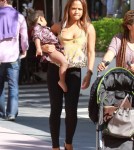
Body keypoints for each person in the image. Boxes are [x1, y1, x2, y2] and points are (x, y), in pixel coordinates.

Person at [42, 0, 96, 149]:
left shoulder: (88, 28)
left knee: (71, 110)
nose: (77, 11)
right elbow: (43, 37)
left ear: (84, 10)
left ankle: (68, 143)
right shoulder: (59, 26)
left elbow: (91, 52)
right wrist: (45, 46)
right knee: (56, 108)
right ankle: (55, 146)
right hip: (55, 70)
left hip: (74, 72)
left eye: (80, 9)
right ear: (68, 9)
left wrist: (89, 72)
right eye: (74, 8)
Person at [0, 0, 29, 121]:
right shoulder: (20, 17)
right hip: (13, 56)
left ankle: (1, 112)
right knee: (13, 86)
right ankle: (11, 113)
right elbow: (24, 37)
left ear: (3, 0)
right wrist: (24, 49)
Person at [27, 9, 68, 92]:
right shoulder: (37, 28)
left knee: (63, 62)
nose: (46, 20)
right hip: (51, 51)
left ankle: (62, 80)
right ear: (41, 19)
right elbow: (36, 38)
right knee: (64, 62)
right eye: (45, 18)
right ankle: (62, 81)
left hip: (54, 48)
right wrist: (38, 48)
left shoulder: (43, 28)